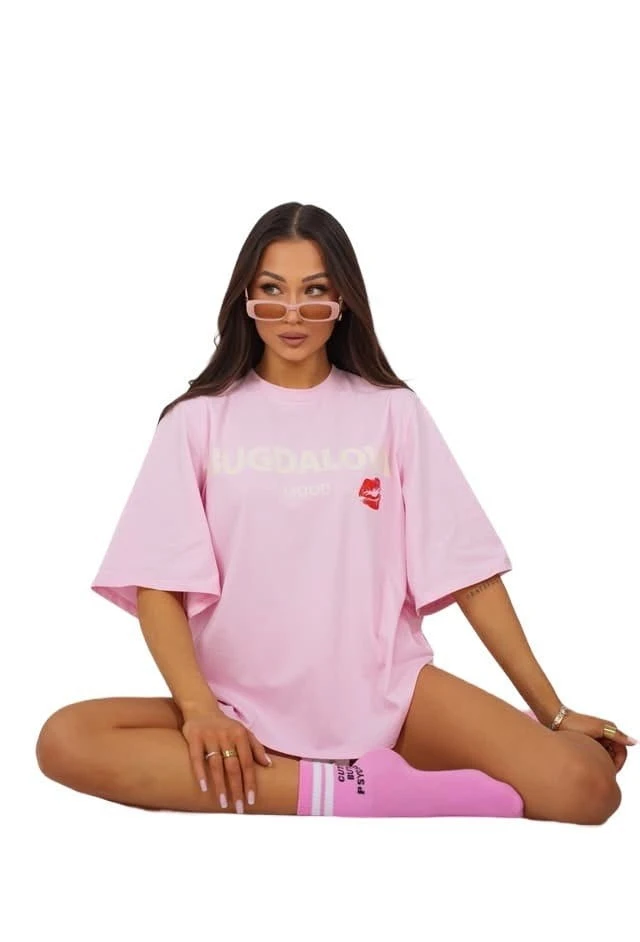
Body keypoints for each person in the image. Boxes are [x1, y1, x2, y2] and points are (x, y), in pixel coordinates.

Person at [35, 202, 634, 822]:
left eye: (315, 291)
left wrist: (553, 713)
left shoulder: (392, 412)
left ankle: (345, 778)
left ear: (343, 300)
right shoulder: (196, 421)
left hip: (388, 697)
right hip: (238, 707)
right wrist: (200, 711)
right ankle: (358, 791)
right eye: (272, 291)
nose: (293, 313)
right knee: (66, 739)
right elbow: (158, 584)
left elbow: (470, 575)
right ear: (246, 299)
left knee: (586, 788)